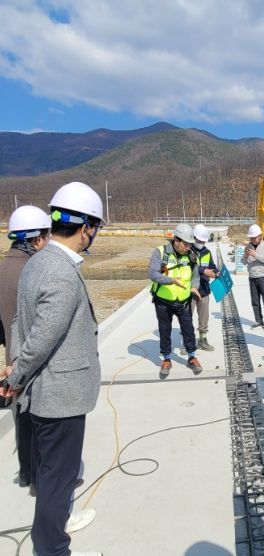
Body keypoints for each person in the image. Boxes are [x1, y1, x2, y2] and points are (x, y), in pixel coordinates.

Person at [0, 181, 105, 556]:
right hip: (61, 396)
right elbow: (43, 336)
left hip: (46, 393)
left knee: (50, 475)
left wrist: (16, 368)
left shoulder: (37, 262)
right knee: (58, 480)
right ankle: (52, 548)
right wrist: (16, 375)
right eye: (95, 227)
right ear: (86, 228)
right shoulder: (61, 270)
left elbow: (18, 324)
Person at [0, 206, 50, 493]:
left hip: (13, 358)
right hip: (33, 360)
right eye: (46, 236)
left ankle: (26, 473)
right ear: (36, 239)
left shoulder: (3, 268)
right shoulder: (32, 271)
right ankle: (42, 482)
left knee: (22, 418)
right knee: (41, 423)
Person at [148, 223, 202, 377]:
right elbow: (153, 274)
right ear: (176, 240)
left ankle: (192, 356)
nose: (188, 247)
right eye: (185, 244)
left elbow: (195, 276)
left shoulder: (191, 255)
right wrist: (171, 280)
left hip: (183, 301)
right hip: (163, 301)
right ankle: (166, 358)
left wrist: (194, 287)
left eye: (190, 244)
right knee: (165, 330)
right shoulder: (160, 253)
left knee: (188, 329)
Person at [191, 223, 219, 351]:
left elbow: (212, 266)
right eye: (199, 240)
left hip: (204, 289)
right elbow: (189, 267)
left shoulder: (207, 252)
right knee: (186, 316)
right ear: (194, 238)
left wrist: (216, 272)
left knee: (204, 317)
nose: (201, 243)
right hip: (190, 289)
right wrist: (204, 271)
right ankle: (187, 342)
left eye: (203, 241)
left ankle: (202, 340)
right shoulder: (187, 251)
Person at [242, 224, 264, 330]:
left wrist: (255, 254)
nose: (252, 239)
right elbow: (243, 262)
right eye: (251, 237)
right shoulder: (248, 247)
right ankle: (258, 320)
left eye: (254, 237)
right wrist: (245, 256)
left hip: (263, 276)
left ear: (260, 236)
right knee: (255, 301)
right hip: (252, 277)